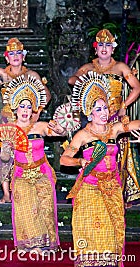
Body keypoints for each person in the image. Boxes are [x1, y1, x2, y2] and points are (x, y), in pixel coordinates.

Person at [61, 71, 140, 266]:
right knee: (94, 228)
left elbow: (136, 124)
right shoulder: (82, 135)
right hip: (89, 188)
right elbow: (64, 159)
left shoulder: (114, 129)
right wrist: (80, 162)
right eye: (98, 109)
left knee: (112, 229)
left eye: (105, 107)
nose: (104, 112)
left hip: (112, 186)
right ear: (89, 112)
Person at [68, 29, 140, 205]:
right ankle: (92, 189)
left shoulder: (120, 67)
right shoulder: (89, 67)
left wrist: (124, 106)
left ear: (113, 48)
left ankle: (120, 194)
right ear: (96, 48)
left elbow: (137, 88)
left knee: (119, 154)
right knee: (94, 154)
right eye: (101, 45)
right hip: (95, 118)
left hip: (114, 116)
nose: (104, 48)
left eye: (108, 45)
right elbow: (72, 80)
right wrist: (85, 85)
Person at [0, 75, 65, 252]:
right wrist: (5, 148)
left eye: (29, 106)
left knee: (45, 208)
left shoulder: (40, 126)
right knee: (26, 207)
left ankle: (46, 243)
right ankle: (31, 244)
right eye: (22, 106)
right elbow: (5, 160)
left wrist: (60, 129)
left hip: (42, 171)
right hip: (21, 174)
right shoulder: (9, 129)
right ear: (15, 108)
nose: (25, 110)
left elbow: (58, 134)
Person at [0, 37, 51, 203]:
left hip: (27, 118)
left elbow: (46, 95)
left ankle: (30, 184)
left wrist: (37, 112)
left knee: (27, 152)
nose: (15, 56)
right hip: (8, 120)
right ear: (7, 57)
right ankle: (6, 193)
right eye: (11, 53)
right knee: (5, 153)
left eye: (18, 53)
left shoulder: (31, 75)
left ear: (23, 56)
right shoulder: (3, 73)